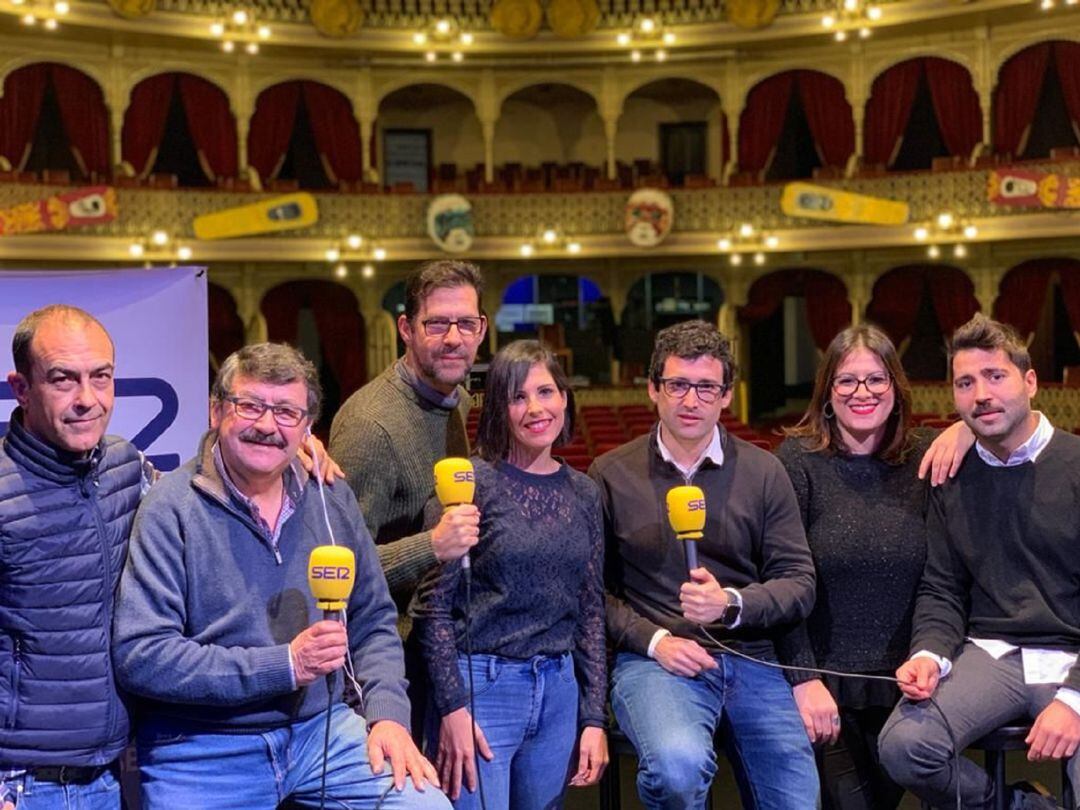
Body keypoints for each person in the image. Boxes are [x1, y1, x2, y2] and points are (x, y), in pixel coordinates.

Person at [112, 342, 449, 810]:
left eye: (287, 412)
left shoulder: (330, 497)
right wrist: (285, 665)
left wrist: (388, 715)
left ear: (307, 427)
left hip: (321, 732)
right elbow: (142, 655)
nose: (268, 426)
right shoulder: (170, 508)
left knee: (427, 805)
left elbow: (372, 618)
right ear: (216, 411)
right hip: (201, 745)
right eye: (250, 406)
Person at [590, 319, 818, 810]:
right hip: (657, 661)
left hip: (751, 657)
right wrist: (655, 641)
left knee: (798, 797)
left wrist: (730, 604)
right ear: (653, 389)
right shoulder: (610, 474)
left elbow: (799, 582)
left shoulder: (763, 471)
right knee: (678, 768)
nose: (691, 400)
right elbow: (592, 593)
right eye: (677, 385)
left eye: (706, 387)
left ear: (727, 395)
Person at [878, 313, 1080, 810]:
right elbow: (942, 587)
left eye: (995, 376)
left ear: (1030, 382)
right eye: (965, 383)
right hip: (992, 654)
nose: (981, 395)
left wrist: (1075, 699)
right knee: (904, 746)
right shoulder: (951, 474)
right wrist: (929, 654)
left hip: (1073, 657)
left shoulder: (1075, 464)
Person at [776, 323, 973, 810]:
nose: (861, 392)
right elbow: (782, 580)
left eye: (876, 379)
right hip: (826, 687)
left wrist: (966, 427)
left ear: (896, 388)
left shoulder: (929, 454)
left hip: (910, 683)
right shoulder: (797, 461)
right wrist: (803, 679)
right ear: (827, 391)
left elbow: (1010, 426)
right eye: (846, 380)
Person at [411, 340, 608, 810]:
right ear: (499, 408)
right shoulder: (469, 482)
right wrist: (452, 708)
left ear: (565, 397)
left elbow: (590, 610)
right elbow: (432, 609)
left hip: (558, 689)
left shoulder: (584, 492)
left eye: (545, 392)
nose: (535, 409)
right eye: (518, 397)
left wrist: (594, 718)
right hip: (482, 688)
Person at [0, 305, 141, 809]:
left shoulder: (125, 466)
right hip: (19, 786)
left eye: (101, 377)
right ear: (21, 388)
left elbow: (214, 488)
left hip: (108, 778)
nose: (87, 399)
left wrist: (291, 457)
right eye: (63, 379)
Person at [329, 259, 486, 612]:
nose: (453, 338)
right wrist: (432, 545)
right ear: (406, 329)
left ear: (481, 330)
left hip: (446, 619)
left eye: (466, 323)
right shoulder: (370, 426)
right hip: (396, 632)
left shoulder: (458, 401)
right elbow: (341, 566)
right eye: (436, 324)